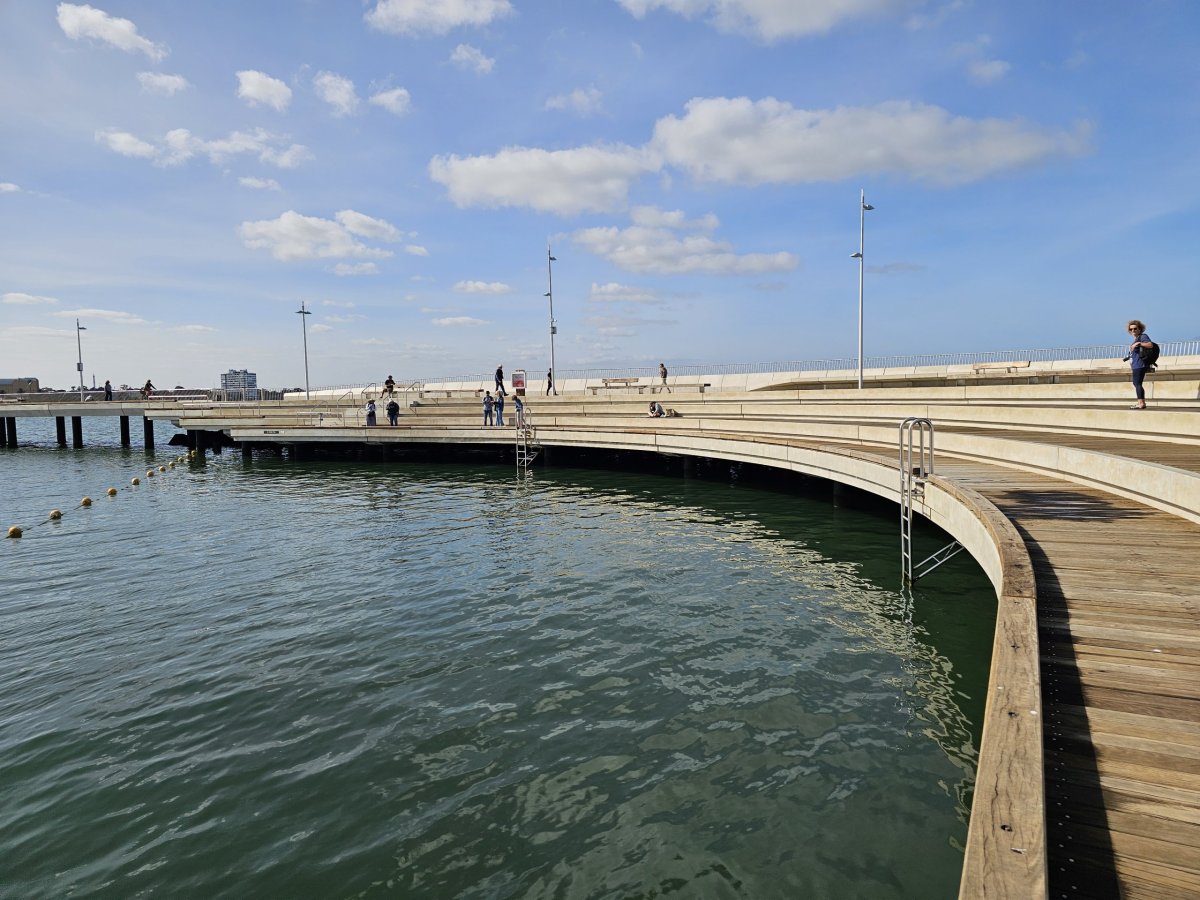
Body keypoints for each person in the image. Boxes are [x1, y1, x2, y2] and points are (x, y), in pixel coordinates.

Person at [1126, 319, 1154, 410]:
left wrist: (1139, 343)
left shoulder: (1143, 336)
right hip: (1136, 364)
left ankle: (1141, 403)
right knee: (1136, 383)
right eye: (1131, 329)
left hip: (1140, 364)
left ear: (1140, 329)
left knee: (1137, 383)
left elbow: (1150, 345)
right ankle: (1141, 402)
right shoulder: (1136, 339)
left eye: (1135, 328)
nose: (1133, 331)